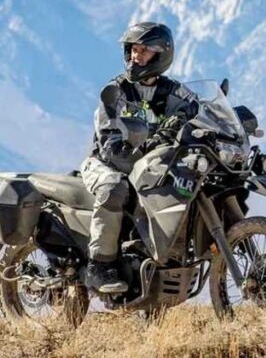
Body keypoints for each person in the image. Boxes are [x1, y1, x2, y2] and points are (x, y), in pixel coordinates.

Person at [80, 22, 198, 293]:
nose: (136, 56)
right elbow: (109, 145)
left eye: (144, 50)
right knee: (115, 188)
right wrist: (142, 151)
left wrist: (189, 118)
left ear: (161, 55)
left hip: (149, 164)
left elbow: (197, 107)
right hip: (106, 163)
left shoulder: (172, 90)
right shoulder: (116, 91)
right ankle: (99, 266)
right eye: (133, 49)